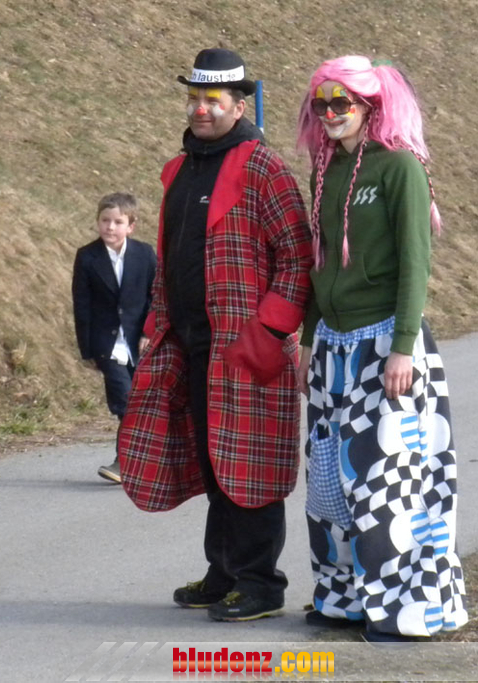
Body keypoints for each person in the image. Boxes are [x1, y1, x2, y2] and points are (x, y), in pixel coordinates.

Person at [117, 48, 313, 621]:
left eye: (212, 100)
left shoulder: (263, 167)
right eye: (194, 99)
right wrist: (157, 325)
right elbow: (170, 257)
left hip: (247, 347)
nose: (200, 109)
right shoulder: (181, 169)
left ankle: (260, 583)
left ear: (239, 105)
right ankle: (224, 571)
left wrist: (269, 330)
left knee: (250, 464)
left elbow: (297, 257)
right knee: (215, 460)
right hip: (191, 345)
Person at [294, 56, 468, 641]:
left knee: (388, 484)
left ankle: (405, 613)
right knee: (328, 482)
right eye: (321, 104)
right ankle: (344, 599)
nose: (330, 113)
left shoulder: (400, 168)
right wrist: (308, 340)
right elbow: (320, 264)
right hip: (331, 348)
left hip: (384, 345)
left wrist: (402, 348)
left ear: (370, 106)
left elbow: (416, 264)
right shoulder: (325, 170)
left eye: (341, 103)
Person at [71, 192, 156, 483]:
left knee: (139, 402)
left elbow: (156, 296)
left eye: (118, 222)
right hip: (106, 344)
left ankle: (140, 462)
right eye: (105, 220)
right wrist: (87, 351)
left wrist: (149, 331)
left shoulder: (144, 254)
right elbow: (81, 305)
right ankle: (124, 462)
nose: (110, 227)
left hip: (138, 342)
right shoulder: (87, 256)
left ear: (131, 226)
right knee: (126, 400)